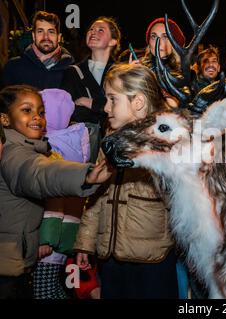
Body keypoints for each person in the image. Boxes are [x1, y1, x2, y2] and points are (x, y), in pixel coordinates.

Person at [74, 64, 179, 299]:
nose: (107, 108)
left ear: (138, 102)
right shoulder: (110, 138)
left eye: (113, 100)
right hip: (110, 255)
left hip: (151, 259)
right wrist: (85, 242)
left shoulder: (166, 140)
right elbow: (97, 195)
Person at [0, 85, 110, 299]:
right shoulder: (14, 153)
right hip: (7, 264)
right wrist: (85, 175)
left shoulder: (26, 145)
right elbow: (38, 173)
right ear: (5, 119)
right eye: (26, 110)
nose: (37, 118)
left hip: (16, 259)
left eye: (41, 112)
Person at [32, 88, 90, 299]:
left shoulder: (51, 148)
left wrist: (46, 239)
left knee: (43, 292)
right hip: (68, 231)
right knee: (55, 287)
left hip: (49, 236)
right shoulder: (77, 139)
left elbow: (52, 201)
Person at [61, 17, 121, 163]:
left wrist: (90, 103)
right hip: (83, 148)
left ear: (113, 41)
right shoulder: (73, 71)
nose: (93, 32)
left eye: (101, 30)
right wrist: (104, 107)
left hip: (115, 144)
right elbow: (69, 110)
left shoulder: (120, 72)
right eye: (91, 29)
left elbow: (123, 108)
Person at [2, 11, 74, 89]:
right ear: (33, 36)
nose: (46, 37)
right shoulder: (13, 67)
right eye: (40, 31)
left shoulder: (72, 70)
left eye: (51, 32)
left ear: (59, 37)